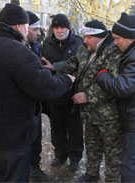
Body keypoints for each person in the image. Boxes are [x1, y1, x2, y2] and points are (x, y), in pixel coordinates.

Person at [0, 3, 74, 182]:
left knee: (0, 174)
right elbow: (45, 88)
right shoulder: (19, 52)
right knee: (16, 176)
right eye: (27, 27)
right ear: (19, 26)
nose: (30, 31)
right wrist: (67, 79)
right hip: (14, 132)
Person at [42, 20, 123, 182]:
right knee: (92, 146)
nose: (84, 40)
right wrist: (54, 67)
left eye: (88, 37)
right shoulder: (86, 48)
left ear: (99, 37)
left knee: (112, 151)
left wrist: (88, 96)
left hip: (108, 115)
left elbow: (114, 83)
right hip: (90, 112)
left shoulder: (114, 52)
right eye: (84, 36)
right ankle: (91, 175)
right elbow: (73, 62)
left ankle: (112, 180)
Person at [96, 12, 135, 182]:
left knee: (129, 163)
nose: (115, 43)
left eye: (118, 38)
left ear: (129, 37)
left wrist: (102, 75)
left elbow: (122, 88)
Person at [41, 13, 84, 171]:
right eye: (56, 28)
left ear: (69, 29)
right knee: (57, 127)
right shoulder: (47, 43)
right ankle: (60, 154)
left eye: (62, 28)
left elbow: (82, 65)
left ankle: (75, 157)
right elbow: (43, 64)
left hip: (73, 94)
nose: (59, 31)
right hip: (54, 94)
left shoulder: (79, 43)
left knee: (74, 128)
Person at [25, 10, 52, 182]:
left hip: (34, 106)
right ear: (23, 27)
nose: (38, 33)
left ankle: (34, 168)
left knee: (35, 140)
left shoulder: (33, 47)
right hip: (22, 109)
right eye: (35, 29)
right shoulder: (20, 51)